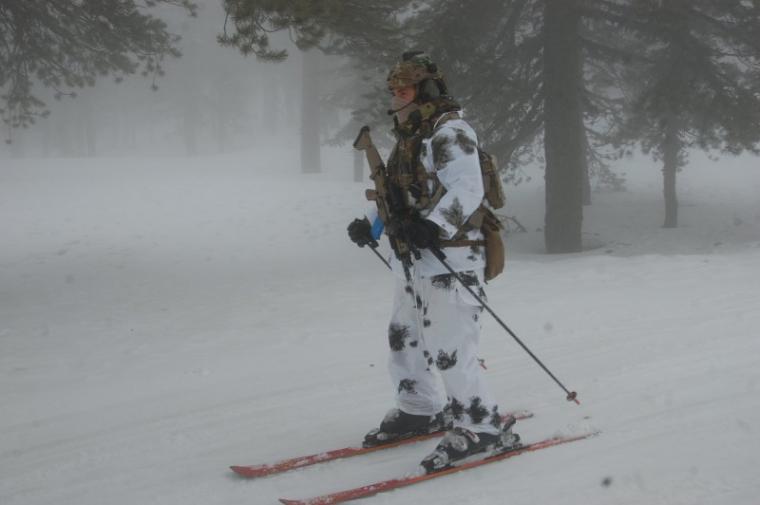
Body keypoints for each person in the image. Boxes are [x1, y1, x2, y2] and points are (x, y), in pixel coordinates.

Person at [347, 51, 519, 473]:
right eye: (393, 89)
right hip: (414, 258)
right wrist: (371, 227)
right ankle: (419, 406)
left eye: (404, 88)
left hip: (453, 255)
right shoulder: (410, 134)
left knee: (450, 345)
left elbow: (466, 189)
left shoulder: (450, 130)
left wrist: (434, 225)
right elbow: (400, 193)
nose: (396, 95)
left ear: (424, 89)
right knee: (404, 335)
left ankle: (481, 426)